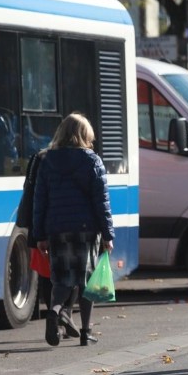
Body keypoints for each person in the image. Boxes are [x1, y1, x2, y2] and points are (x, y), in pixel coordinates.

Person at [33, 113, 115, 347]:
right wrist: (108, 234)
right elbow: (102, 202)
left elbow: (40, 200)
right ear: (83, 135)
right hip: (86, 230)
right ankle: (85, 332)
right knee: (86, 282)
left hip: (56, 229)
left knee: (62, 280)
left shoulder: (47, 161)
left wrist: (40, 235)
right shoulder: (92, 161)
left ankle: (55, 311)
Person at [16, 149, 78, 339]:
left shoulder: (39, 157)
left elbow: (33, 193)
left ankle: (56, 318)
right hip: (70, 226)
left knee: (47, 274)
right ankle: (63, 312)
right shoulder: (78, 158)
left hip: (41, 227)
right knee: (74, 272)